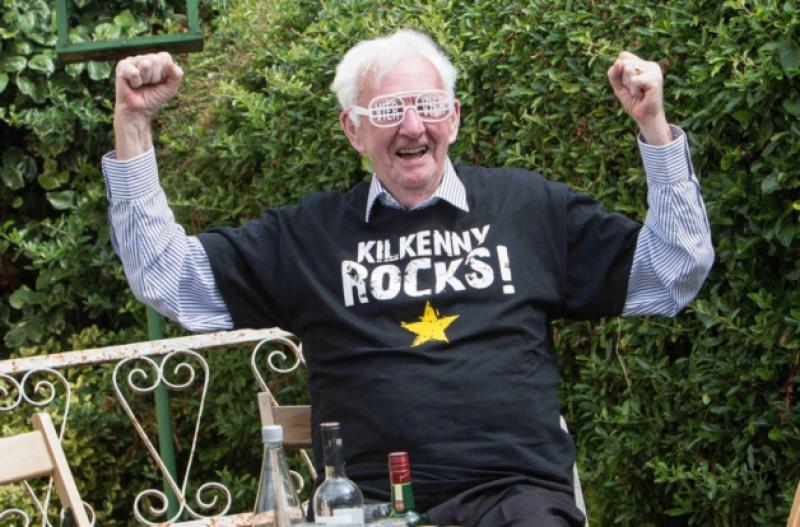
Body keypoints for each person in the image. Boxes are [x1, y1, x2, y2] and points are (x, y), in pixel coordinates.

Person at [103, 29, 713, 527]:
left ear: (455, 118)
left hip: (518, 499)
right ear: (353, 129)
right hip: (367, 508)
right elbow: (167, 277)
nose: (413, 126)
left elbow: (674, 271)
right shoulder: (307, 236)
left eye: (429, 106)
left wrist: (655, 130)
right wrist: (133, 126)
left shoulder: (530, 209)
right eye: (390, 111)